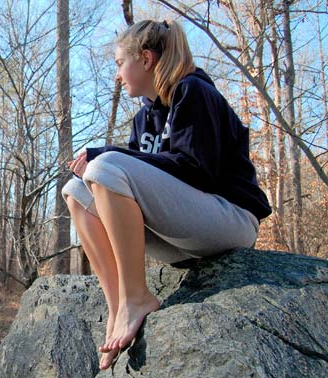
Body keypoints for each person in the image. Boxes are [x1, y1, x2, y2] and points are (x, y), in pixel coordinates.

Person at [62, 19, 272, 370]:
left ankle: (138, 297)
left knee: (103, 166)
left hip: (230, 218)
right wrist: (113, 158)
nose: (117, 75)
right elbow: (127, 185)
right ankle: (119, 307)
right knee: (75, 191)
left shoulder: (193, 92)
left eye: (119, 64)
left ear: (145, 59)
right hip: (184, 236)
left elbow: (196, 171)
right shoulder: (143, 119)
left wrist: (109, 154)